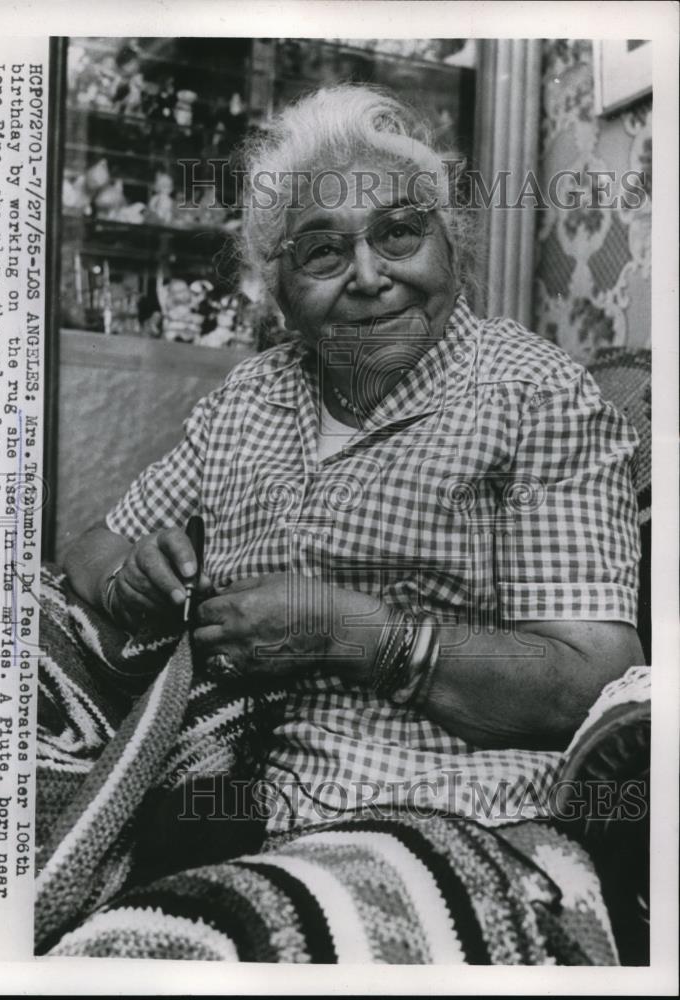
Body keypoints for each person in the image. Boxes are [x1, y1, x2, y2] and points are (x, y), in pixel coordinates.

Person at [48, 84, 643, 959]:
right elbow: (91, 549)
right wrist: (133, 580)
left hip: (457, 807)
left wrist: (347, 630)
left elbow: (594, 676)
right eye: (323, 252)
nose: (369, 276)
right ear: (278, 290)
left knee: (178, 947)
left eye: (399, 233)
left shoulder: (533, 398)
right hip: (241, 796)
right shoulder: (255, 395)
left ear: (452, 244)